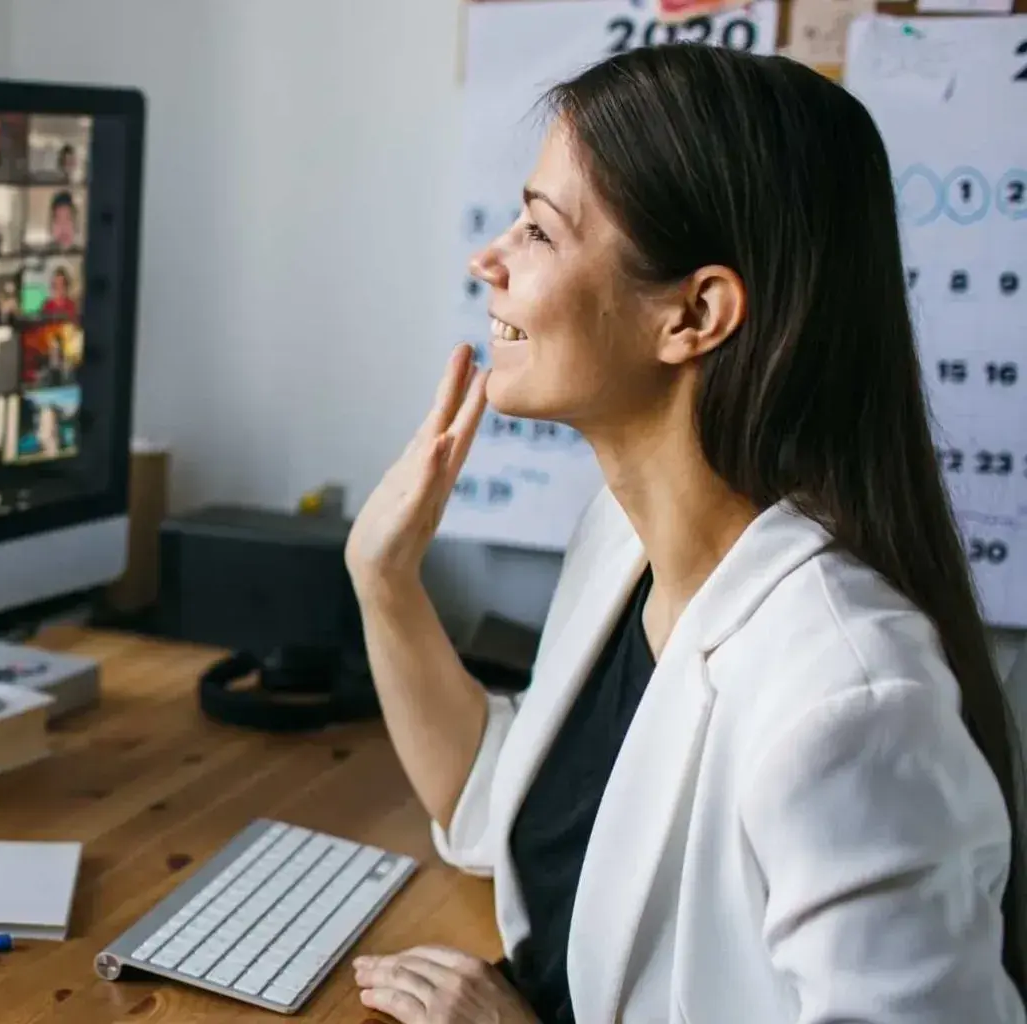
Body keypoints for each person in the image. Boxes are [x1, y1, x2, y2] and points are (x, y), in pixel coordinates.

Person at [342, 46, 1026, 1024]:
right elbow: (502, 809)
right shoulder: (621, 546)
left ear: (696, 313)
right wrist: (383, 575)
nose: (487, 258)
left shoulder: (848, 701)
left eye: (538, 229)